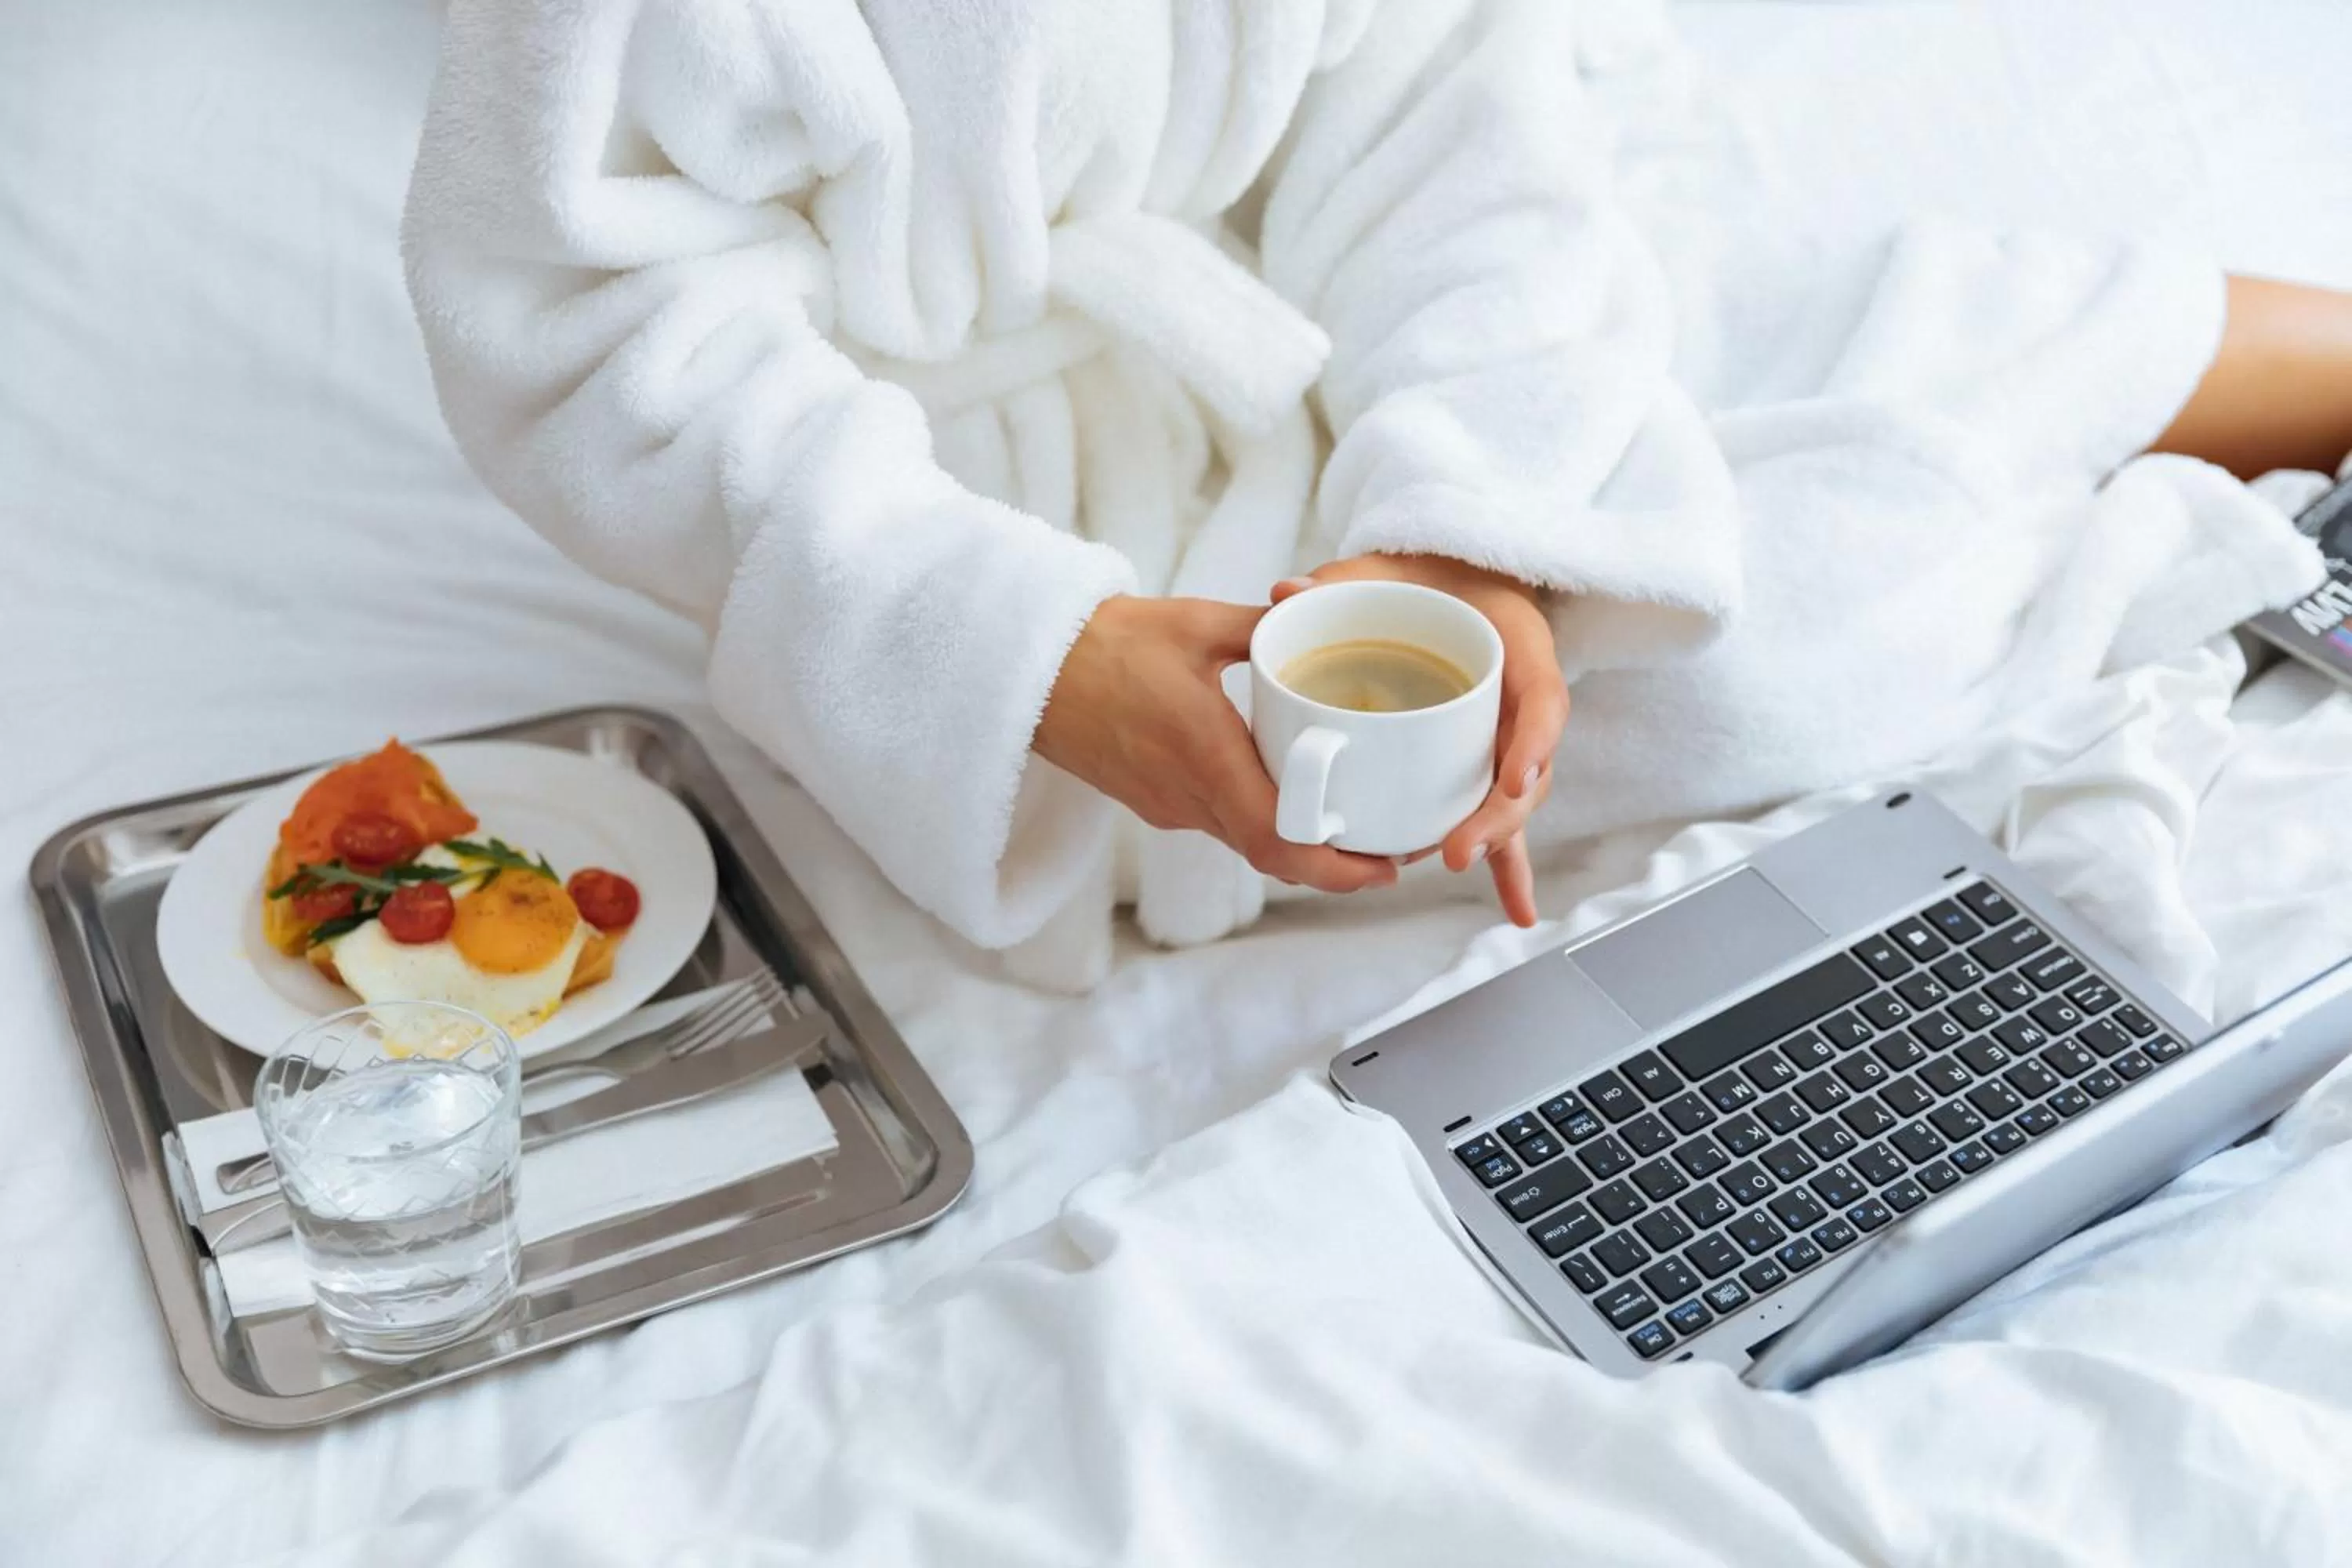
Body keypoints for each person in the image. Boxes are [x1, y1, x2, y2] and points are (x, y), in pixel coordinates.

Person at [405, 0, 2352, 985]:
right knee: (1807, 622)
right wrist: (1037, 651)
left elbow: (1441, 110)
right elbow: (579, 321)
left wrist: (1474, 534)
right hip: (933, 520)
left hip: (1328, 341)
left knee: (1800, 352)